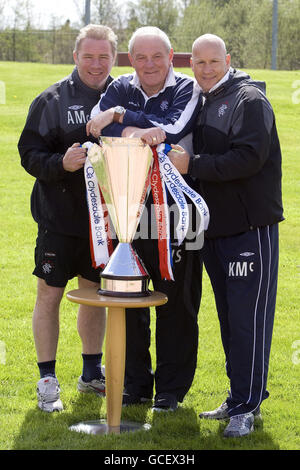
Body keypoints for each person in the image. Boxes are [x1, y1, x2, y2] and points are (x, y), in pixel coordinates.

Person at [168, 34, 284, 437]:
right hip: (215, 230)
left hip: (250, 230)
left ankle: (247, 407)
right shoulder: (201, 100)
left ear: (228, 60)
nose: (205, 69)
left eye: (213, 61)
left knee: (249, 320)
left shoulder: (250, 101)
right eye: (198, 63)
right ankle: (239, 397)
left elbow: (250, 158)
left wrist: (193, 164)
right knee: (230, 320)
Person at [87, 26, 203, 412]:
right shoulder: (120, 85)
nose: (150, 64)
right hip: (128, 209)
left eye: (157, 56)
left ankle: (170, 391)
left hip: (176, 212)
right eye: (141, 57)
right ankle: (134, 385)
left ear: (172, 56)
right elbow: (94, 122)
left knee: (177, 301)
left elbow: (171, 130)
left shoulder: (188, 88)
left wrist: (120, 117)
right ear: (131, 59)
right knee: (127, 294)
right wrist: (137, 125)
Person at [18, 24, 117, 412]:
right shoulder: (52, 100)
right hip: (58, 222)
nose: (96, 64)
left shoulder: (120, 96)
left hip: (103, 223)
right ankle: (47, 380)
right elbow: (28, 153)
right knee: (50, 295)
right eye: (88, 56)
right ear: (75, 57)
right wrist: (60, 162)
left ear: (113, 57)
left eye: (103, 57)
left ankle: (92, 373)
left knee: (94, 297)